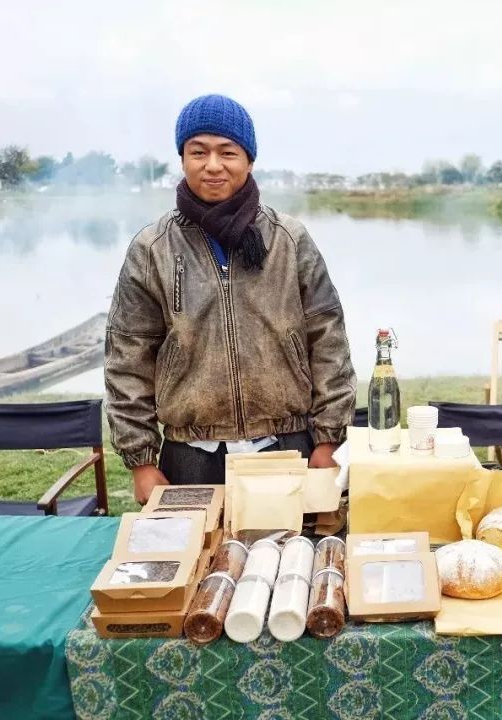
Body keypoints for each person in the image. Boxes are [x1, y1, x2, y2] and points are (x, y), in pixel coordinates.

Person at [105, 94, 356, 503]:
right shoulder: (153, 248)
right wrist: (142, 461)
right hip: (189, 456)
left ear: (249, 160)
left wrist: (327, 440)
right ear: (182, 158)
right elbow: (126, 360)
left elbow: (328, 342)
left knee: (291, 561)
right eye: (198, 151)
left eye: (228, 152)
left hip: (287, 445)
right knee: (197, 562)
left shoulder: (289, 240)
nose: (213, 165)